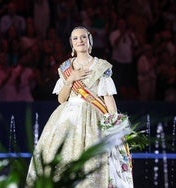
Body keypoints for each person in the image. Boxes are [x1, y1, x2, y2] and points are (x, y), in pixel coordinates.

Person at [26, 26, 134, 188]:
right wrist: (71, 80)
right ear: (72, 44)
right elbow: (62, 99)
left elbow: (108, 97)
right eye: (75, 38)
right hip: (68, 116)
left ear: (89, 40)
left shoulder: (101, 66)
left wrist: (114, 122)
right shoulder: (66, 69)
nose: (80, 41)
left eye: (83, 37)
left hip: (94, 116)